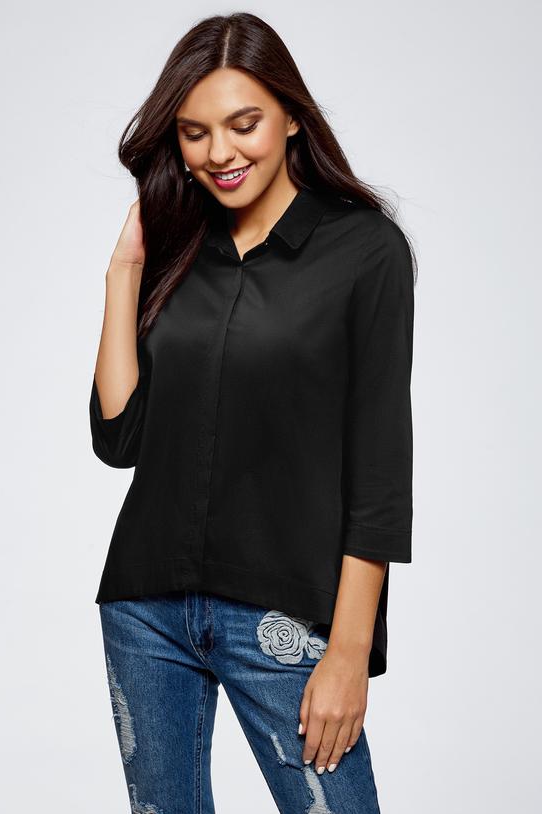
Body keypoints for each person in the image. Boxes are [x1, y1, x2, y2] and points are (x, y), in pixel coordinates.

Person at [89, 12, 416, 814]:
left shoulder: (364, 251)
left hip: (284, 613)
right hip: (146, 607)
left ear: (292, 117)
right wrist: (124, 271)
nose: (219, 153)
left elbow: (378, 471)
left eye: (244, 124)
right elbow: (119, 436)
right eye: (195, 132)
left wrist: (348, 653)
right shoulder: (177, 250)